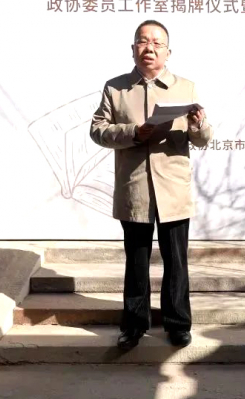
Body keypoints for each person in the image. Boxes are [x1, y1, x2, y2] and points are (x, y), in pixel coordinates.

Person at [90, 20, 213, 351]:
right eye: (143, 42)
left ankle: (178, 324)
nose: (150, 48)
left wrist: (199, 125)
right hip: (135, 187)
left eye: (157, 43)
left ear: (168, 52)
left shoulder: (185, 88)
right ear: (133, 49)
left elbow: (202, 139)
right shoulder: (115, 88)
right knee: (136, 261)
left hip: (173, 188)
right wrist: (133, 132)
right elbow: (97, 130)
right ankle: (133, 324)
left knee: (176, 261)